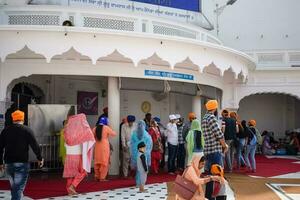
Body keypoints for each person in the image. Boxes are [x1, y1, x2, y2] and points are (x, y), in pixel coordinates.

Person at [0, 110, 44, 200]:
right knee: (18, 189)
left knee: (15, 188)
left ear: (13, 119)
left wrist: (0, 162)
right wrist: (40, 158)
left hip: (9, 163)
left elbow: (0, 147)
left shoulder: (5, 131)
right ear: (23, 119)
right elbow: (35, 145)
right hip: (22, 163)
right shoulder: (27, 130)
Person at [63, 113, 95, 195]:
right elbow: (91, 137)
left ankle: (69, 190)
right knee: (83, 171)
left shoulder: (67, 129)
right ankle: (73, 186)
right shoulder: (82, 131)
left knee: (70, 174)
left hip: (69, 155)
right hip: (77, 155)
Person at [202, 100, 228, 200]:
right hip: (215, 151)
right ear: (215, 108)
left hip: (208, 151)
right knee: (218, 175)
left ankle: (209, 197)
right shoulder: (211, 117)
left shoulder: (204, 118)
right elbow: (219, 134)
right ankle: (219, 197)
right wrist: (224, 146)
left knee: (209, 176)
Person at [93, 117, 116, 181]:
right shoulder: (106, 128)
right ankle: (102, 178)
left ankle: (96, 176)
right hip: (105, 147)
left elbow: (92, 136)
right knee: (104, 162)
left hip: (97, 146)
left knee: (97, 162)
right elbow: (114, 134)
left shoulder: (95, 128)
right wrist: (109, 127)